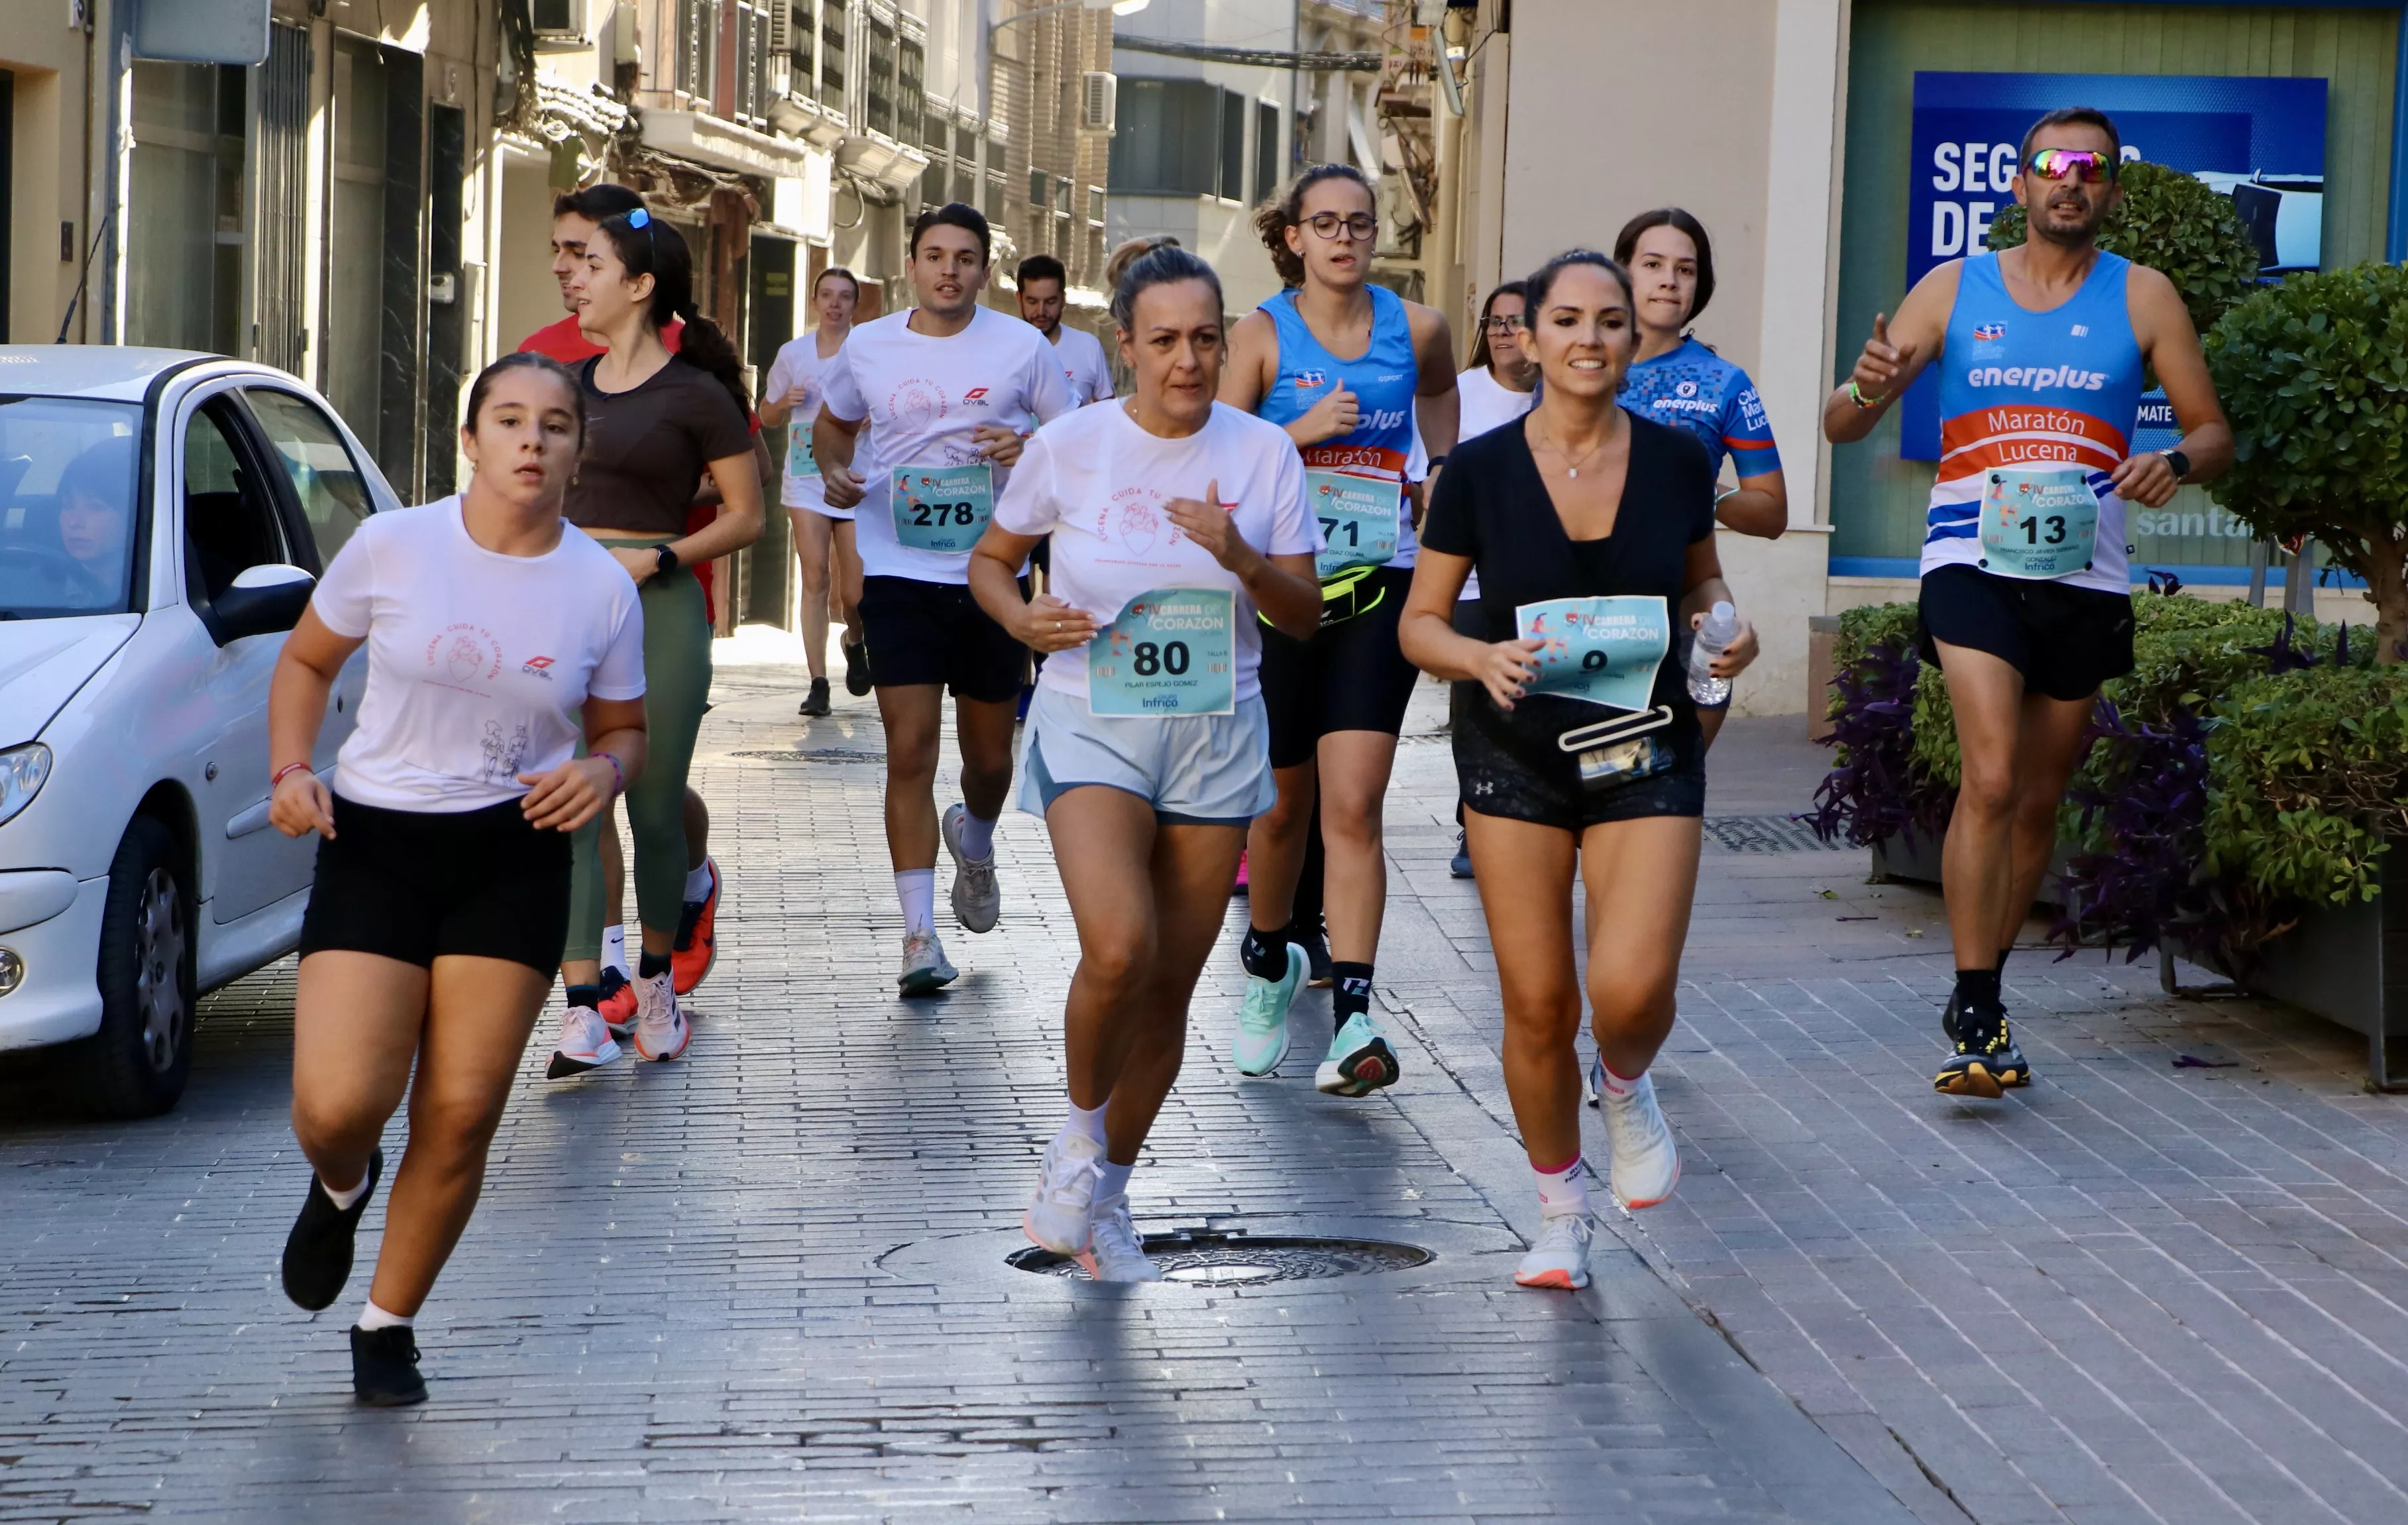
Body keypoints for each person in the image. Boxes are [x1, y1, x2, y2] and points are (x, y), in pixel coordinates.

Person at [1821, 106, 2231, 1097]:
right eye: (2050, 165)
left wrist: (2173, 458)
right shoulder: (1951, 287)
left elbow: (2211, 430)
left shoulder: (2142, 296)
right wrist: (1869, 387)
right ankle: (1969, 1004)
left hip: (2083, 572)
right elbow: (1839, 422)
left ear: (2111, 192)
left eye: (2089, 168)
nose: (2069, 181)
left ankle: (1987, 994)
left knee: (2039, 796)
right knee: (1993, 776)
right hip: (1969, 556)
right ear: (2018, 185)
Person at [268, 353, 649, 1403]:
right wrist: (293, 769)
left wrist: (604, 768)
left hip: (513, 848)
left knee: (465, 1105)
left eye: (557, 426)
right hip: (379, 840)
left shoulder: (601, 587)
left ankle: (387, 1324)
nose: (533, 441)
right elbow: (305, 663)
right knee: (340, 1103)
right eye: (511, 422)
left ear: (578, 452)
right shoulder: (393, 546)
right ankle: (342, 1183)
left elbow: (624, 728)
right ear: (471, 442)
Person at [1401, 249, 1758, 1290]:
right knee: (1538, 1005)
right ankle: (1559, 1210)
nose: (1589, 339)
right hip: (1514, 753)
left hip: (1645, 746)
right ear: (1527, 335)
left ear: (1630, 338)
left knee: (1630, 987)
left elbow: (1704, 591)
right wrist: (1476, 654)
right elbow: (1419, 625)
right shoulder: (1476, 471)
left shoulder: (1678, 462)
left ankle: (1625, 1079)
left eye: (1608, 322)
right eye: (1565, 320)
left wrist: (1725, 636)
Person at [971, 245, 1322, 1280]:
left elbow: (1301, 616)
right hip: (1093, 719)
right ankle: (1077, 1141)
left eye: (1205, 338)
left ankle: (1110, 1200)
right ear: (1123, 344)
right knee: (1118, 947)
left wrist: (1240, 555)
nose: (1186, 361)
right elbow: (991, 563)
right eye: (1163, 340)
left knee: (1169, 985)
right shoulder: (1070, 446)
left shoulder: (1264, 454)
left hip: (1216, 730)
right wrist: (1021, 618)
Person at [1219, 163, 1458, 1096]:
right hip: (1283, 590)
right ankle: (1272, 957)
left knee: (1353, 803)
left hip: (1380, 583)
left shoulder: (1416, 327)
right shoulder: (1259, 335)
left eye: (1359, 223)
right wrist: (1302, 433)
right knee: (1280, 812)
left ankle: (1355, 1007)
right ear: (1293, 238)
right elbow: (1220, 454)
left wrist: (1439, 463)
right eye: (1325, 224)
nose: (1345, 238)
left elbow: (1438, 394)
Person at [816, 203, 1078, 993]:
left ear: (984, 271)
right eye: (935, 256)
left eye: (965, 258)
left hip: (992, 573)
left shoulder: (1021, 346)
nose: (949, 271)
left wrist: (1025, 447)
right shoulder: (868, 345)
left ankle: (977, 834)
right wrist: (834, 471)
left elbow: (1080, 445)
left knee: (990, 760)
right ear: (911, 265)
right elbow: (833, 427)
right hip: (897, 568)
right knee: (909, 748)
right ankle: (919, 935)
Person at [545, 207, 763, 1076]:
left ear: (638, 286)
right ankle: (583, 1006)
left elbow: (747, 515)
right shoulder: (563, 386)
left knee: (652, 803)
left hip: (661, 609)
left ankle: (657, 983)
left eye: (586, 262)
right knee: (572, 804)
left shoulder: (698, 396)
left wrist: (659, 555)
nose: (570, 275)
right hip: (568, 610)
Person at [1614, 209, 1786, 749]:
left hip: (1685, 604)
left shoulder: (1724, 382)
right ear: (1621, 272)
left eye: (1685, 269)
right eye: (1653, 264)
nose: (1670, 279)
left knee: (1665, 787)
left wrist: (1702, 489)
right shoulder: (1580, 364)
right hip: (1578, 610)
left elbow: (1772, 513)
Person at [1446, 280, 1539, 877]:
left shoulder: (1559, 396)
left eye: (1516, 320)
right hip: (1474, 584)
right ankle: (1472, 819)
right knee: (1476, 706)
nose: (1504, 332)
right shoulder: (1459, 393)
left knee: (1530, 703)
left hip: (1541, 583)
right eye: (1494, 321)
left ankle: (1522, 816)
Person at [761, 266, 869, 714]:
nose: (835, 304)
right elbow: (765, 416)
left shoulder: (868, 352)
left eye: (845, 296)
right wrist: (782, 403)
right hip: (806, 480)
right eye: (827, 294)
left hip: (856, 477)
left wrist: (867, 418)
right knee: (815, 577)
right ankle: (818, 681)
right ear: (814, 301)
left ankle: (855, 638)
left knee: (855, 593)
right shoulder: (793, 354)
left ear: (854, 305)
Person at [1016, 253, 1115, 406]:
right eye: (1032, 301)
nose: (1041, 311)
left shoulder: (1088, 347)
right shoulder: (1001, 350)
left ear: (1063, 300)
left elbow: (1109, 412)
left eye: (1050, 301)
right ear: (1019, 299)